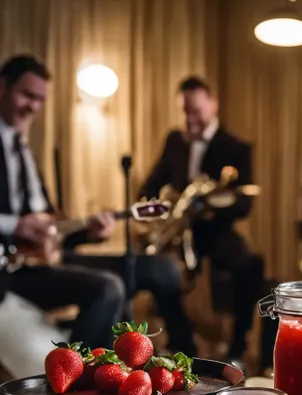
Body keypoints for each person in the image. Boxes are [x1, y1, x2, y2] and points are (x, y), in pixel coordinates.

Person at [0, 54, 125, 348]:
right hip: (8, 269)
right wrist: (16, 225)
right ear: (2, 86)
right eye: (27, 95)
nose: (34, 107)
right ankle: (76, 378)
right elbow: (25, 224)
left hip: (33, 262)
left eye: (40, 100)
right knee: (108, 288)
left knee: (130, 277)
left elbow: (46, 223)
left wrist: (87, 232)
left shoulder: (22, 149)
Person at [139, 76, 263, 363]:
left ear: (213, 105)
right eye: (185, 111)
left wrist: (206, 207)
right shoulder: (174, 140)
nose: (190, 118)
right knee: (158, 271)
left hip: (213, 230)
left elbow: (245, 203)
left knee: (249, 265)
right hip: (176, 232)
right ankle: (182, 343)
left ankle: (237, 348)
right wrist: (155, 211)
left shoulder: (236, 148)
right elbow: (150, 185)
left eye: (195, 111)